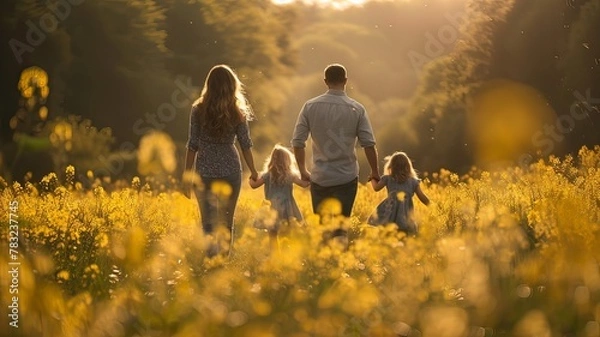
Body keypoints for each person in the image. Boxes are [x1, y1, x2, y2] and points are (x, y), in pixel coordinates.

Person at [183, 64, 259, 255]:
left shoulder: (198, 110)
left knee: (208, 223)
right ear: (232, 85)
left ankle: (211, 265)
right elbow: (245, 145)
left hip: (204, 170)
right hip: (231, 170)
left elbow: (192, 145)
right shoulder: (237, 112)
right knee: (226, 223)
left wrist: (187, 176)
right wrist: (254, 171)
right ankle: (223, 265)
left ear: (209, 84)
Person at [291, 63, 380, 219]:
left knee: (322, 228)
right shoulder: (357, 109)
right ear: (345, 81)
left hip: (320, 177)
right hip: (346, 177)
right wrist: (375, 171)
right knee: (340, 227)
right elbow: (368, 144)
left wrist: (303, 170)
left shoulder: (310, 106)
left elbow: (298, 142)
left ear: (325, 81)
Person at [249, 144, 310, 250]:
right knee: (286, 234)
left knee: (272, 235)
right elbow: (304, 184)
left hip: (270, 208)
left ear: (272, 160)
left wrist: (251, 177)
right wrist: (309, 177)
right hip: (287, 208)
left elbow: (254, 185)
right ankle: (285, 258)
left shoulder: (267, 175)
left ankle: (275, 256)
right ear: (288, 161)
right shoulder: (290, 175)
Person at [368, 151, 430, 235]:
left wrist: (372, 178)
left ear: (391, 166)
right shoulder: (413, 182)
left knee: (389, 232)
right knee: (405, 233)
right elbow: (422, 196)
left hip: (389, 213)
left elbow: (376, 188)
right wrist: (432, 206)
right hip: (405, 213)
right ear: (408, 166)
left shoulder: (388, 178)